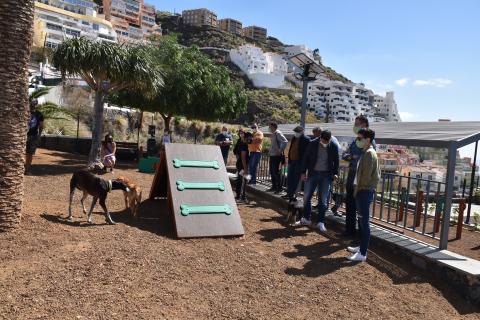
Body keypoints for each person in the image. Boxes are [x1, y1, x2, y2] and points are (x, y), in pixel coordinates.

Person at [347, 128, 380, 262]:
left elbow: (365, 177)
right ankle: (361, 247)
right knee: (361, 221)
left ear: (368, 139)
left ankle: (363, 252)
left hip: (364, 191)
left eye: (360, 138)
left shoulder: (368, 154)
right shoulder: (367, 152)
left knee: (364, 222)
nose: (358, 141)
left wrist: (358, 189)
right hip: (363, 190)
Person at [296, 130, 339, 232]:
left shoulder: (333, 145)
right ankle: (306, 219)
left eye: (327, 141)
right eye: (323, 141)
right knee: (307, 197)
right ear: (320, 138)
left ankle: (320, 222)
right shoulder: (313, 143)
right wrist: (303, 172)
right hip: (312, 173)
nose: (325, 143)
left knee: (323, 200)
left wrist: (335, 173)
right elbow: (306, 158)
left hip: (326, 176)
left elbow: (336, 160)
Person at [342, 115, 372, 237]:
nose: (355, 126)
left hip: (359, 176)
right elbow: (345, 154)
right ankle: (349, 231)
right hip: (351, 173)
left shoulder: (369, 141)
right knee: (349, 203)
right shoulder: (356, 140)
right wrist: (351, 157)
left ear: (364, 124)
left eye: (357, 123)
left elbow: (365, 158)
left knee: (359, 207)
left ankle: (360, 237)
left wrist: (352, 156)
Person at [282, 126, 310, 201]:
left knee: (295, 179)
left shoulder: (306, 139)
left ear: (301, 132)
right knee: (290, 178)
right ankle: (289, 193)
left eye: (297, 132)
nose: (295, 133)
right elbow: (291, 148)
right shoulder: (294, 138)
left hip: (299, 162)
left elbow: (306, 153)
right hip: (292, 160)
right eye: (295, 132)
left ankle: (292, 194)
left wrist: (304, 164)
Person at [267, 122, 288, 193]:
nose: (269, 128)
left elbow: (285, 141)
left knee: (275, 172)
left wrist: (280, 150)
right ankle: (274, 186)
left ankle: (279, 188)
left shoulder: (277, 133)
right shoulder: (273, 134)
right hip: (272, 155)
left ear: (273, 127)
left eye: (270, 127)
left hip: (276, 156)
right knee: (272, 172)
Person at [25, 99, 44, 175]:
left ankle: (27, 170)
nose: (33, 104)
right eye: (32, 103)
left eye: (35, 103)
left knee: (30, 153)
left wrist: (39, 135)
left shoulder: (39, 114)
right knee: (22, 152)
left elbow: (41, 126)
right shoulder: (25, 112)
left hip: (33, 136)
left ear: (37, 104)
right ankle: (20, 168)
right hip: (23, 135)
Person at [233, 129, 250, 201]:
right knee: (243, 179)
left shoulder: (242, 143)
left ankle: (240, 195)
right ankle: (241, 196)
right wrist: (245, 168)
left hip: (240, 164)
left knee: (243, 179)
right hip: (242, 165)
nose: (250, 140)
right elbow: (243, 157)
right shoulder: (244, 145)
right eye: (249, 138)